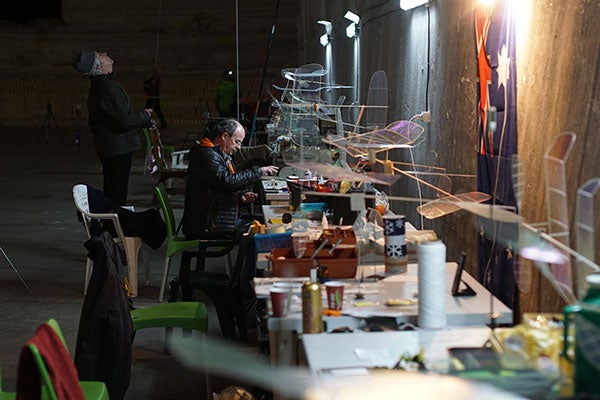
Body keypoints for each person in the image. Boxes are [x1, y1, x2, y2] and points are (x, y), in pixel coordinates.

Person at [72, 50, 153, 205]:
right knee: (117, 195)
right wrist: (145, 115)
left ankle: (114, 224)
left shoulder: (102, 85)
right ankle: (116, 225)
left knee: (113, 191)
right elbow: (125, 120)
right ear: (101, 65)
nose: (105, 53)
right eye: (100, 54)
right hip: (118, 148)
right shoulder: (107, 87)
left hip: (112, 146)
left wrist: (142, 120)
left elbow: (115, 117)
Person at [182, 118, 278, 240]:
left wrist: (241, 193)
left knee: (266, 222)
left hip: (214, 218)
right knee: (267, 228)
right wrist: (258, 172)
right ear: (224, 136)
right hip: (207, 225)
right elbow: (226, 181)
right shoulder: (206, 155)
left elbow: (218, 184)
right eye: (237, 142)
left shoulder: (218, 154)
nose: (238, 147)